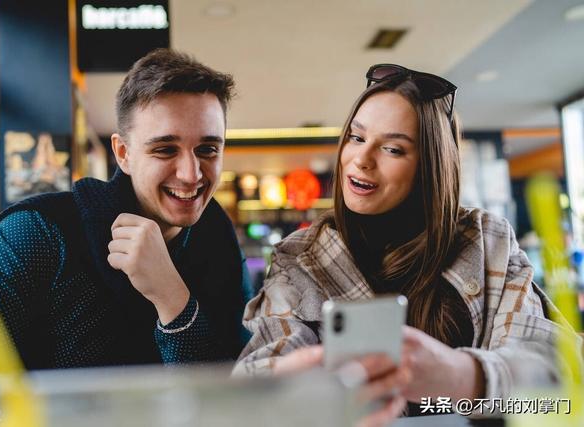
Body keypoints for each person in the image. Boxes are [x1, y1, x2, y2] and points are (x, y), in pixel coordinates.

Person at [234, 64, 579, 421]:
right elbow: (258, 372)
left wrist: (461, 375)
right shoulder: (300, 257)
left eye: (393, 149)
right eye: (356, 137)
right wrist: (285, 392)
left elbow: (557, 375)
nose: (362, 160)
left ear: (430, 164)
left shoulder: (487, 240)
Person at [0, 48, 252, 373]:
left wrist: (171, 297)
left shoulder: (217, 237)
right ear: (123, 153)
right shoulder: (35, 233)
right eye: (164, 149)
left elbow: (231, 388)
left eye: (208, 149)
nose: (191, 174)